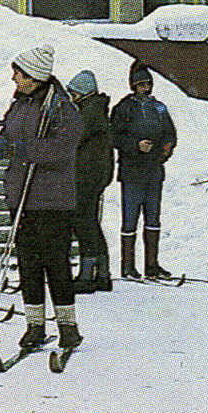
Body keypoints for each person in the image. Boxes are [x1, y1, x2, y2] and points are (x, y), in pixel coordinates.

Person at [0, 45, 84, 350]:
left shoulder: (61, 108)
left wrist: (20, 149)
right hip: (22, 195)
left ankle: (67, 324)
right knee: (28, 263)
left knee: (55, 261)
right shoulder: (20, 104)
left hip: (52, 197)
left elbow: (62, 149)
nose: (14, 78)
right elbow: (9, 132)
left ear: (34, 76)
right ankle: (34, 324)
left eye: (19, 72)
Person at [109, 61, 177, 279]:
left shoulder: (159, 108)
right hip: (131, 170)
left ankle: (152, 264)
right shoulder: (123, 108)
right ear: (133, 86)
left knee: (153, 218)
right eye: (140, 84)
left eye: (147, 84)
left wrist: (164, 150)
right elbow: (114, 137)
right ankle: (128, 265)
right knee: (130, 218)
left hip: (154, 170)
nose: (144, 88)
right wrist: (135, 146)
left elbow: (170, 134)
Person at [65, 69, 113, 294]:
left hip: (86, 175)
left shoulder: (89, 112)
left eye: (73, 92)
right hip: (95, 174)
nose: (71, 96)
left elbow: (74, 138)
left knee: (83, 222)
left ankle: (86, 275)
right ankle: (103, 274)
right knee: (91, 222)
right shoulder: (97, 109)